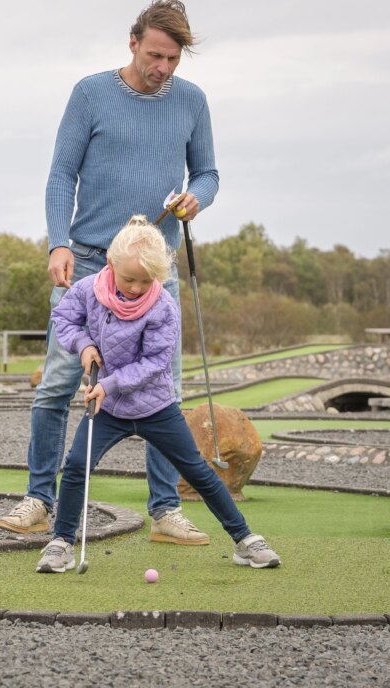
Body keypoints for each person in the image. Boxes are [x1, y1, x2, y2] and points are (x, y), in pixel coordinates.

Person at [0, 0, 219, 544]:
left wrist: (197, 199)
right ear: (133, 42)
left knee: (162, 389)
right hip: (89, 262)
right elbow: (60, 175)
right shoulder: (90, 94)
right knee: (57, 384)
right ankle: (39, 501)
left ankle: (166, 512)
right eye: (155, 55)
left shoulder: (191, 101)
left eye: (173, 59)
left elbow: (209, 173)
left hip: (155, 269)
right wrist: (57, 242)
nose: (162, 68)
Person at [35, 217, 280, 572]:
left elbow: (153, 363)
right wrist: (85, 344)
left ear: (159, 276)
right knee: (75, 467)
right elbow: (64, 318)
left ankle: (244, 540)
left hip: (155, 405)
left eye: (146, 281)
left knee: (197, 470)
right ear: (111, 265)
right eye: (128, 279)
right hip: (108, 407)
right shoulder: (88, 289)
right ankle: (61, 543)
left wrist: (108, 383)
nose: (135, 288)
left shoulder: (163, 306)